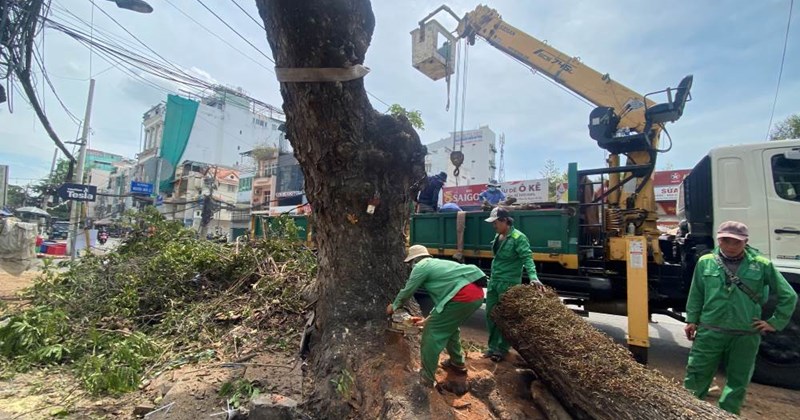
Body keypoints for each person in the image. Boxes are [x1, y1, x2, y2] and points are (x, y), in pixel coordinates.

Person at [683, 221, 797, 414]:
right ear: (718, 240)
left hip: (745, 334)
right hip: (710, 331)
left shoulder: (761, 265)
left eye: (736, 242)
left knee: (738, 381)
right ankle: (688, 414)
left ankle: (727, 415)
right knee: (696, 375)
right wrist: (691, 319)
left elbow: (789, 295)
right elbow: (697, 294)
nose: (730, 246)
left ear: (746, 242)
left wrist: (775, 322)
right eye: (725, 241)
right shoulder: (706, 262)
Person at [386, 245, 486, 386]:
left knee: (432, 333)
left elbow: (409, 289)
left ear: (415, 259)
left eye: (410, 263)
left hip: (462, 296)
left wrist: (394, 305)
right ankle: (457, 363)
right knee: (450, 328)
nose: (410, 266)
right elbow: (443, 303)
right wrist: (428, 319)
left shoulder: (421, 266)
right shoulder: (438, 264)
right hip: (476, 295)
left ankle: (427, 377)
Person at [483, 207, 543, 362]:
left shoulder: (518, 238)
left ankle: (502, 349)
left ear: (504, 221)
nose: (493, 226)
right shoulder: (498, 236)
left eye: (495, 222)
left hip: (508, 284)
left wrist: (533, 277)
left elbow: (527, 258)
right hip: (494, 281)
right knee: (490, 314)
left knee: (505, 317)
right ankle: (492, 347)